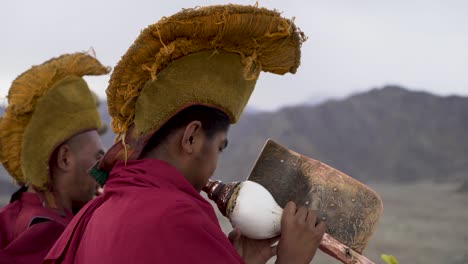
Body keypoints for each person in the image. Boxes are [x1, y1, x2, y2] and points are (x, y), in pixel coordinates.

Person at [45, 4, 325, 264]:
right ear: (191, 137)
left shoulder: (100, 209)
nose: (215, 164)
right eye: (219, 147)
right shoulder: (176, 216)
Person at [0, 52, 109, 263]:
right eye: (98, 157)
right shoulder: (52, 236)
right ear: (65, 159)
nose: (103, 169)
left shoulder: (13, 211)